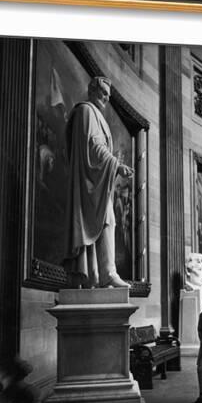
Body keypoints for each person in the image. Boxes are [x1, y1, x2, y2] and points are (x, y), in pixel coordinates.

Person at [63, 76, 134, 288]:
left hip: (97, 183)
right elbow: (93, 147)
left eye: (108, 96)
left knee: (109, 221)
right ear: (92, 90)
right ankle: (104, 273)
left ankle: (106, 273)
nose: (105, 98)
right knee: (107, 220)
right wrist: (116, 165)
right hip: (88, 184)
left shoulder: (96, 115)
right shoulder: (86, 111)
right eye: (102, 93)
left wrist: (112, 166)